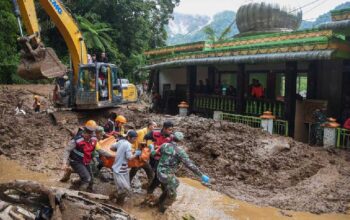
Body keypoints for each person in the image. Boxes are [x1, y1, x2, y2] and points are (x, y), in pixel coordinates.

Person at [155, 132, 210, 212]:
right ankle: (161, 211)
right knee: (173, 195)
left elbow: (155, 153)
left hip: (159, 171)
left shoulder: (165, 145)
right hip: (167, 175)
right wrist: (201, 175)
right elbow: (190, 165)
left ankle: (160, 201)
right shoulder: (180, 151)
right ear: (180, 141)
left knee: (176, 183)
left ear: (172, 137)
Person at [61, 120, 98, 191]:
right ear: (84, 131)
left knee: (91, 181)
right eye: (87, 133)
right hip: (76, 161)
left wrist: (95, 159)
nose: (89, 135)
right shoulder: (77, 140)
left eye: (91, 133)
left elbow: (94, 150)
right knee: (87, 178)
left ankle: (75, 186)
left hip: (86, 161)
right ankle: (80, 196)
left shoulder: (93, 138)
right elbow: (67, 150)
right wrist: (64, 163)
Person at [109, 130, 142, 204]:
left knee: (123, 189)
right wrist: (136, 154)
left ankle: (118, 203)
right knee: (125, 189)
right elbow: (129, 157)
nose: (135, 140)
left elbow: (111, 147)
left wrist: (119, 151)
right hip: (119, 170)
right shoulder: (128, 144)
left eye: (135, 138)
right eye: (133, 138)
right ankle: (113, 198)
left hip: (123, 168)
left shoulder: (121, 142)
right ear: (129, 137)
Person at [144, 121, 174, 197]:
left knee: (160, 176)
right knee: (159, 176)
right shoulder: (154, 133)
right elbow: (145, 138)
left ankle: (153, 190)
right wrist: (150, 147)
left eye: (172, 130)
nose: (171, 131)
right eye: (169, 130)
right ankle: (154, 191)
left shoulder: (171, 137)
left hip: (163, 159)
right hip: (154, 158)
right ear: (164, 128)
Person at [129, 121, 157, 187]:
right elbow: (131, 138)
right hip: (137, 154)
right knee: (136, 169)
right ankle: (127, 183)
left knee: (147, 170)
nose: (155, 128)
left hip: (143, 155)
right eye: (154, 126)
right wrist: (132, 149)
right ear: (149, 126)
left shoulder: (150, 134)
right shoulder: (141, 132)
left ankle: (150, 185)